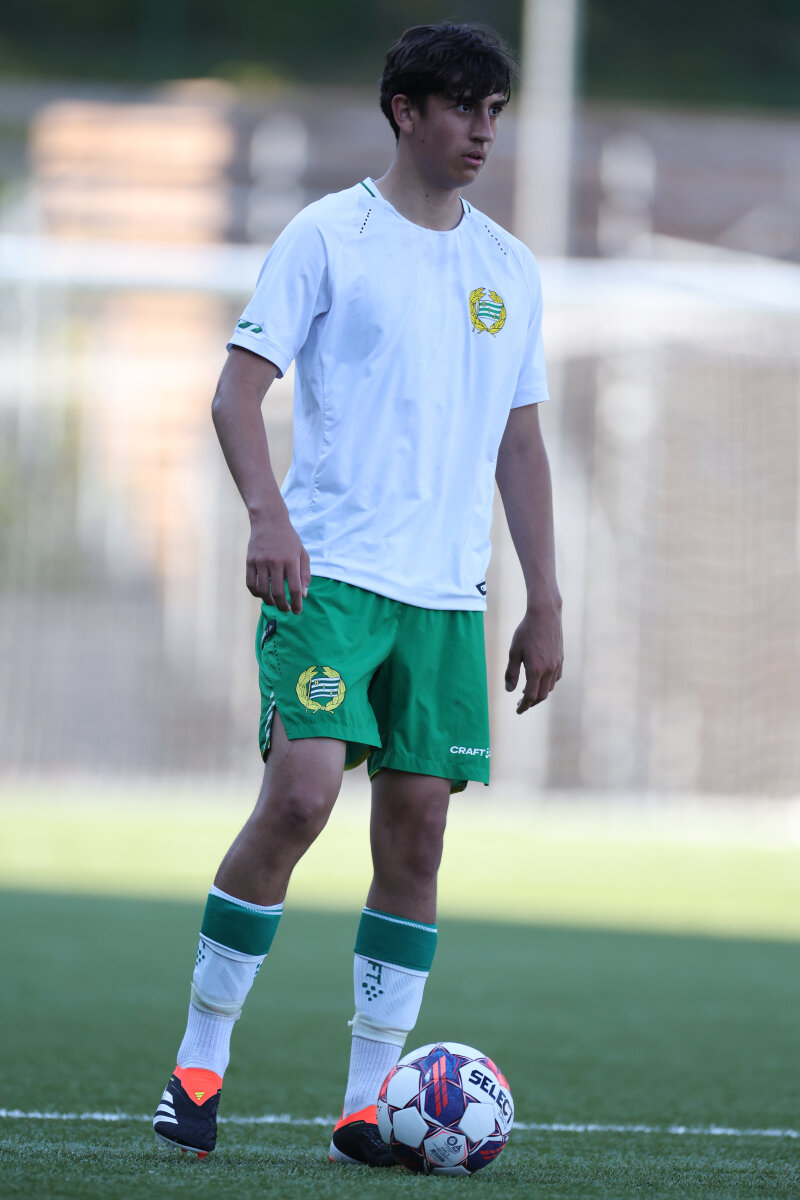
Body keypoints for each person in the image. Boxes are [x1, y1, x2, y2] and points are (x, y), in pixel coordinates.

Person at [152, 21, 563, 1167]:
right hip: (330, 575)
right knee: (299, 796)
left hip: (445, 599)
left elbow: (519, 445)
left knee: (417, 829)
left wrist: (545, 598)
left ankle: (367, 1104)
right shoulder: (327, 234)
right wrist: (266, 516)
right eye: (461, 107)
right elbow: (236, 393)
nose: (481, 129)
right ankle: (197, 1062)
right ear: (404, 112)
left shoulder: (509, 270)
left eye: (494, 110)